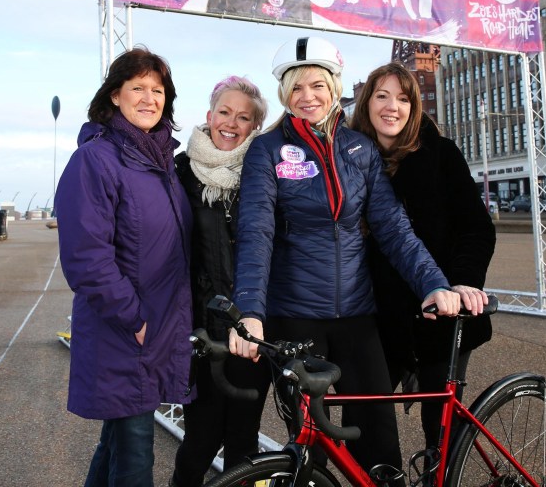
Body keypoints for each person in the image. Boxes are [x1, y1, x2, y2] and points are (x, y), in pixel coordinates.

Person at [229, 36, 487, 474]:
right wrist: (250, 311)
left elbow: (393, 228)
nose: (307, 97)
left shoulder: (359, 150)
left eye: (317, 86)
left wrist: (434, 284)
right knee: (312, 444)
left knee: (377, 441)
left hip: (356, 315)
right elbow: (256, 232)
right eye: (296, 88)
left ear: (334, 87)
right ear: (284, 95)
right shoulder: (267, 151)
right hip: (295, 315)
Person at [55, 47, 192, 487]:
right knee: (135, 453)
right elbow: (85, 256)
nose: (150, 98)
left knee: (116, 440)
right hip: (126, 329)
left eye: (158, 90)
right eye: (138, 88)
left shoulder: (162, 162)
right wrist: (133, 317)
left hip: (155, 328)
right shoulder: (96, 159)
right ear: (115, 96)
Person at [349, 62, 496, 450]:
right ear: (366, 104)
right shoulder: (349, 160)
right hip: (379, 316)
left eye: (403, 98)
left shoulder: (441, 154)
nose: (392, 107)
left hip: (442, 313)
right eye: (381, 96)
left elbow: (476, 227)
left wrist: (464, 280)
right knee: (361, 423)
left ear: (414, 108)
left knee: (440, 432)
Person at [171, 76, 272, 487]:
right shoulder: (179, 171)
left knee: (243, 443)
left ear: (254, 127)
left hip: (252, 327)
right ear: (209, 115)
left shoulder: (263, 172)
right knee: (200, 438)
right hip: (201, 328)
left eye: (243, 117)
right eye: (224, 112)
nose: (231, 123)